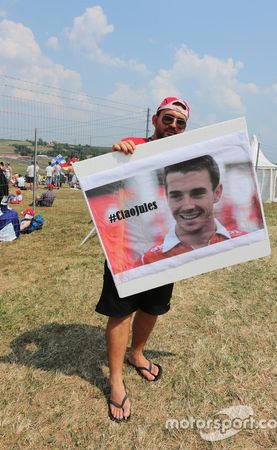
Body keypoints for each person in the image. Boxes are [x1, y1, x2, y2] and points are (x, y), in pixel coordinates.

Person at [95, 97, 190, 422]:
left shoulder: (185, 155)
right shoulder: (134, 146)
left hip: (165, 248)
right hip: (125, 247)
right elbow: (106, 178)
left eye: (180, 123)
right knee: (122, 312)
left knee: (153, 308)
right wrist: (116, 154)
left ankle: (137, 354)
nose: (173, 126)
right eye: (168, 119)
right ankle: (116, 378)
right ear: (155, 120)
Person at [137, 155, 247, 264]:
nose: (187, 206)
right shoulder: (147, 261)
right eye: (176, 196)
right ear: (167, 198)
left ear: (217, 193)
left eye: (197, 194)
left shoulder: (245, 242)